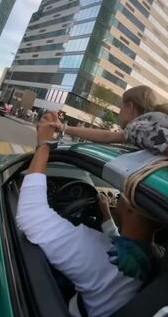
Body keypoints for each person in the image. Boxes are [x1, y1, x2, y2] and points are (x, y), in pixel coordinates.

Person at [16, 113, 157, 317]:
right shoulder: (147, 256)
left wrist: (43, 145)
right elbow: (122, 243)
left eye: (122, 192)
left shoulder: (104, 256)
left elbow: (30, 217)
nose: (118, 195)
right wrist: (107, 220)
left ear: (130, 208)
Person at [50, 86, 168, 179]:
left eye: (121, 107)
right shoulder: (153, 121)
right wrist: (64, 128)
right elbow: (108, 136)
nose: (119, 113)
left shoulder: (137, 126)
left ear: (130, 106)